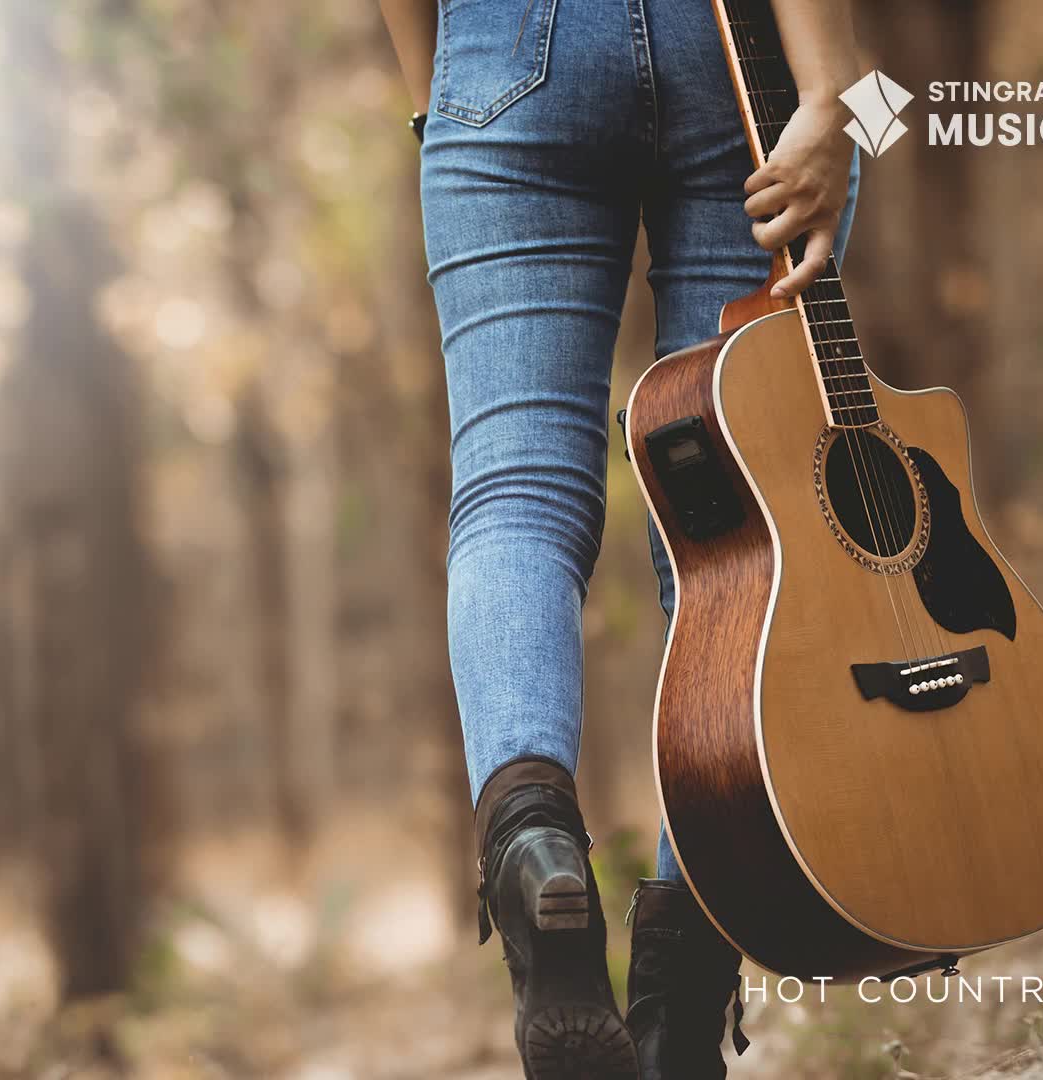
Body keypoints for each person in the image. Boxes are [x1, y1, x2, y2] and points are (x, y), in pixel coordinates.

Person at [376, 1, 862, 1076]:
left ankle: (532, 842)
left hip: (498, 62)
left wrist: (437, 111)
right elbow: (862, 88)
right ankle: (682, 1006)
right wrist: (842, 96)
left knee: (514, 494)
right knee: (743, 532)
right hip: (743, 60)